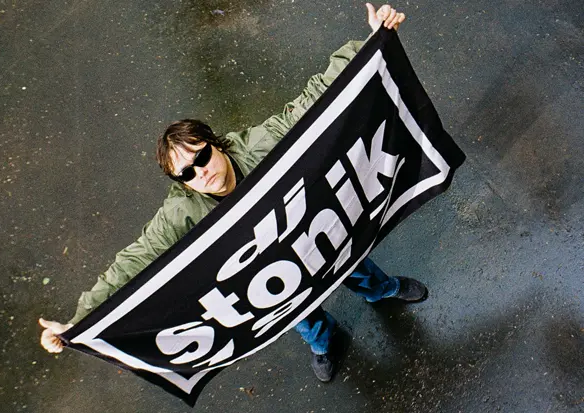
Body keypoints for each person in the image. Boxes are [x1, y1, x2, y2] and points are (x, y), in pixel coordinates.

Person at [39, 3, 425, 383]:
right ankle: (324, 341)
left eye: (202, 157)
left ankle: (382, 290)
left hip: (309, 231)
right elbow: (133, 261)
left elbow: (314, 100)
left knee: (346, 257)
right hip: (270, 273)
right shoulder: (180, 213)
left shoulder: (260, 145)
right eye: (186, 173)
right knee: (293, 310)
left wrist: (370, 42)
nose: (200, 172)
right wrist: (79, 322)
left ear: (215, 143)